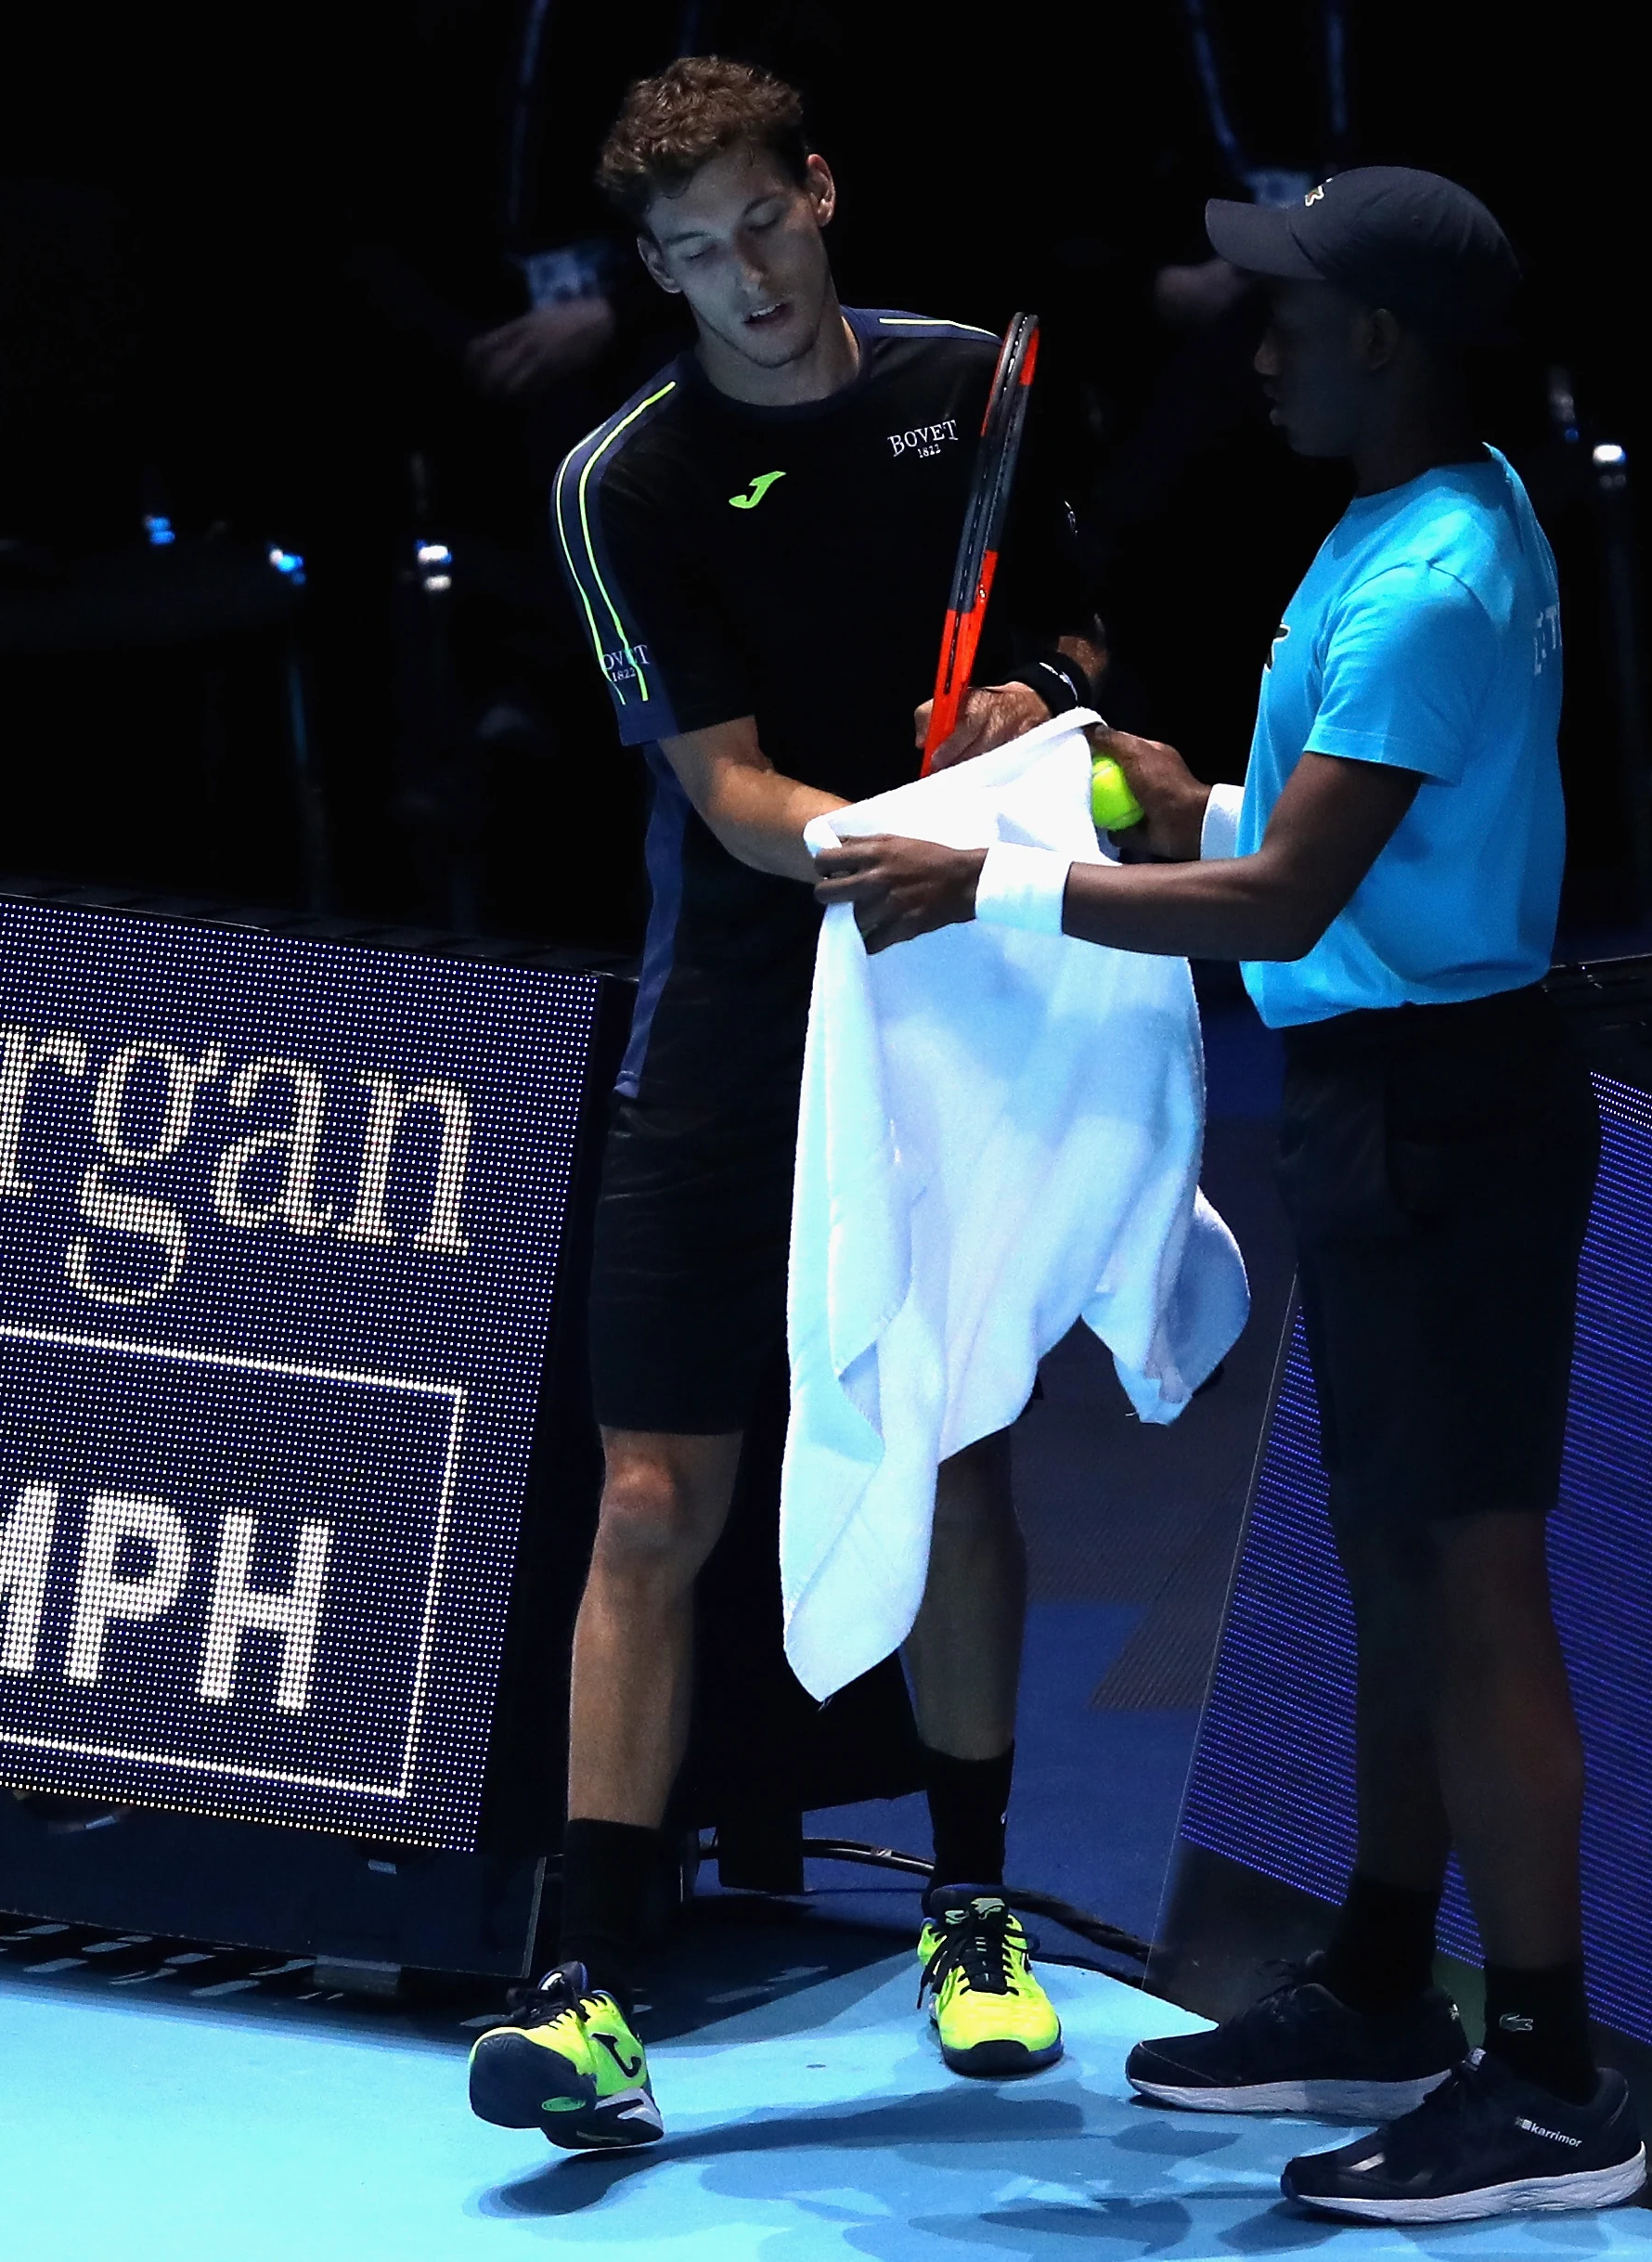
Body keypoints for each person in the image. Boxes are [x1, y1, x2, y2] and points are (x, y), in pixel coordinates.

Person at [815, 168, 1644, 2225]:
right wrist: (1165, 793)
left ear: (1388, 338)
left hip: (1454, 1114)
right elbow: (1285, 837)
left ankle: (1551, 2072)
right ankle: (1381, 1982)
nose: (1251, 342)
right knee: (1386, 1569)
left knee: (1472, 1584)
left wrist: (992, 878)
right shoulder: (1386, 525)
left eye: (1286, 311)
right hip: (1377, 1099)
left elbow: (1287, 902)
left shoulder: (1442, 571)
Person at [462, 55, 1111, 2153]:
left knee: (958, 1457)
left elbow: (1084, 646)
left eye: (760, 224)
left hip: (951, 1009)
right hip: (741, 1028)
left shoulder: (973, 385)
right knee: (657, 1498)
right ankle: (583, 1988)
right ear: (647, 270)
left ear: (820, 192)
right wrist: (891, 847)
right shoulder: (622, 486)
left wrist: (1038, 704)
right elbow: (731, 798)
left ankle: (976, 1909)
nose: (736, 279)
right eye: (685, 255)